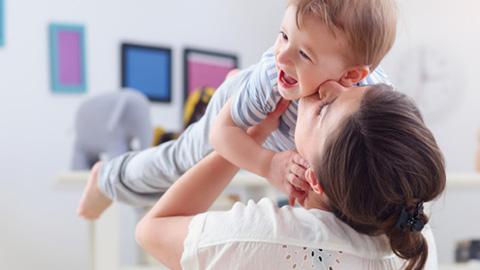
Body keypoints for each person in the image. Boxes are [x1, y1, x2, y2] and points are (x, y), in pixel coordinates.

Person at [77, 0, 397, 219]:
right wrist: (268, 164)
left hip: (275, 119)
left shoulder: (375, 106)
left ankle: (240, 86)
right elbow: (221, 133)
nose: (283, 55)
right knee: (183, 160)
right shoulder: (275, 74)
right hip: (242, 115)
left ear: (352, 76)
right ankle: (107, 177)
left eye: (304, 54)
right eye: (283, 36)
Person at [136, 82, 446, 270]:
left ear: (315, 180)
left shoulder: (263, 239)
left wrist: (249, 140)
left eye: (323, 109)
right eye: (353, 85)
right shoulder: (415, 240)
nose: (328, 87)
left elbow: (152, 229)